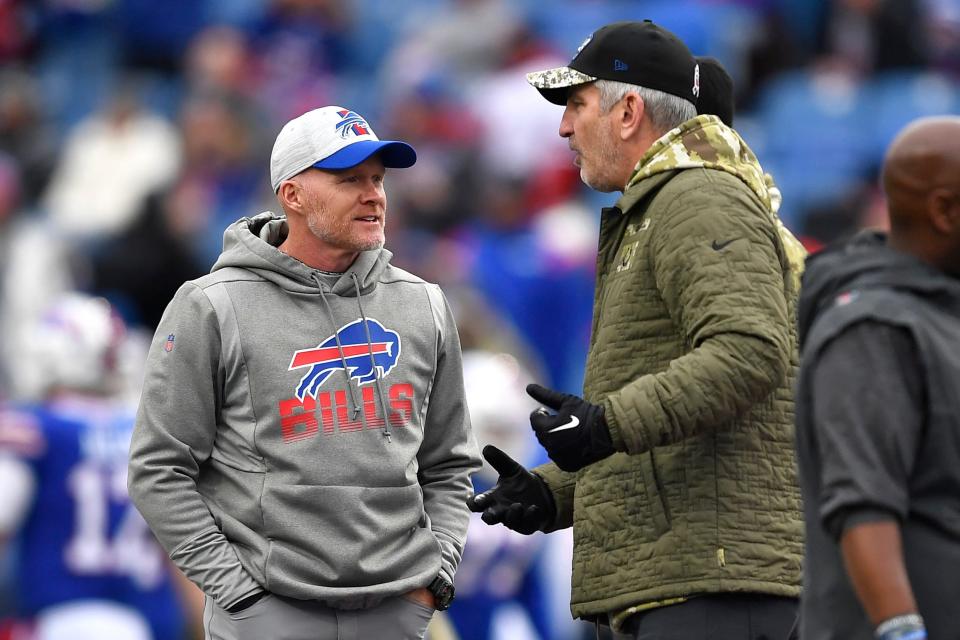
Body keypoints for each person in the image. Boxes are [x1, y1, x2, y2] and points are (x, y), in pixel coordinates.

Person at [467, 20, 806, 639]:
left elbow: (750, 353)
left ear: (628, 112)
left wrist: (605, 425)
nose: (564, 128)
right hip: (674, 580)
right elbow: (662, 432)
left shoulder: (699, 197)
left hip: (709, 584)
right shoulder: (662, 206)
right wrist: (552, 493)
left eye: (575, 105)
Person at [127, 106, 481, 640]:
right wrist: (237, 592)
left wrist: (438, 576)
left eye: (378, 180)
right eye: (349, 180)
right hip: (272, 610)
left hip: (397, 610)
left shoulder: (424, 304)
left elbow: (449, 463)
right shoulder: (211, 305)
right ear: (292, 195)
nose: (375, 195)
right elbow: (158, 469)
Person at [794, 116, 960, 640]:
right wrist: (901, 629)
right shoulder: (871, 328)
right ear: (945, 211)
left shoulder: (940, 316)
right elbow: (863, 505)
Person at [0, 293, 197, 640]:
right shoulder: (149, 432)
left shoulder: (35, 428)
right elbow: (186, 549)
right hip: (142, 624)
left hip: (58, 620)